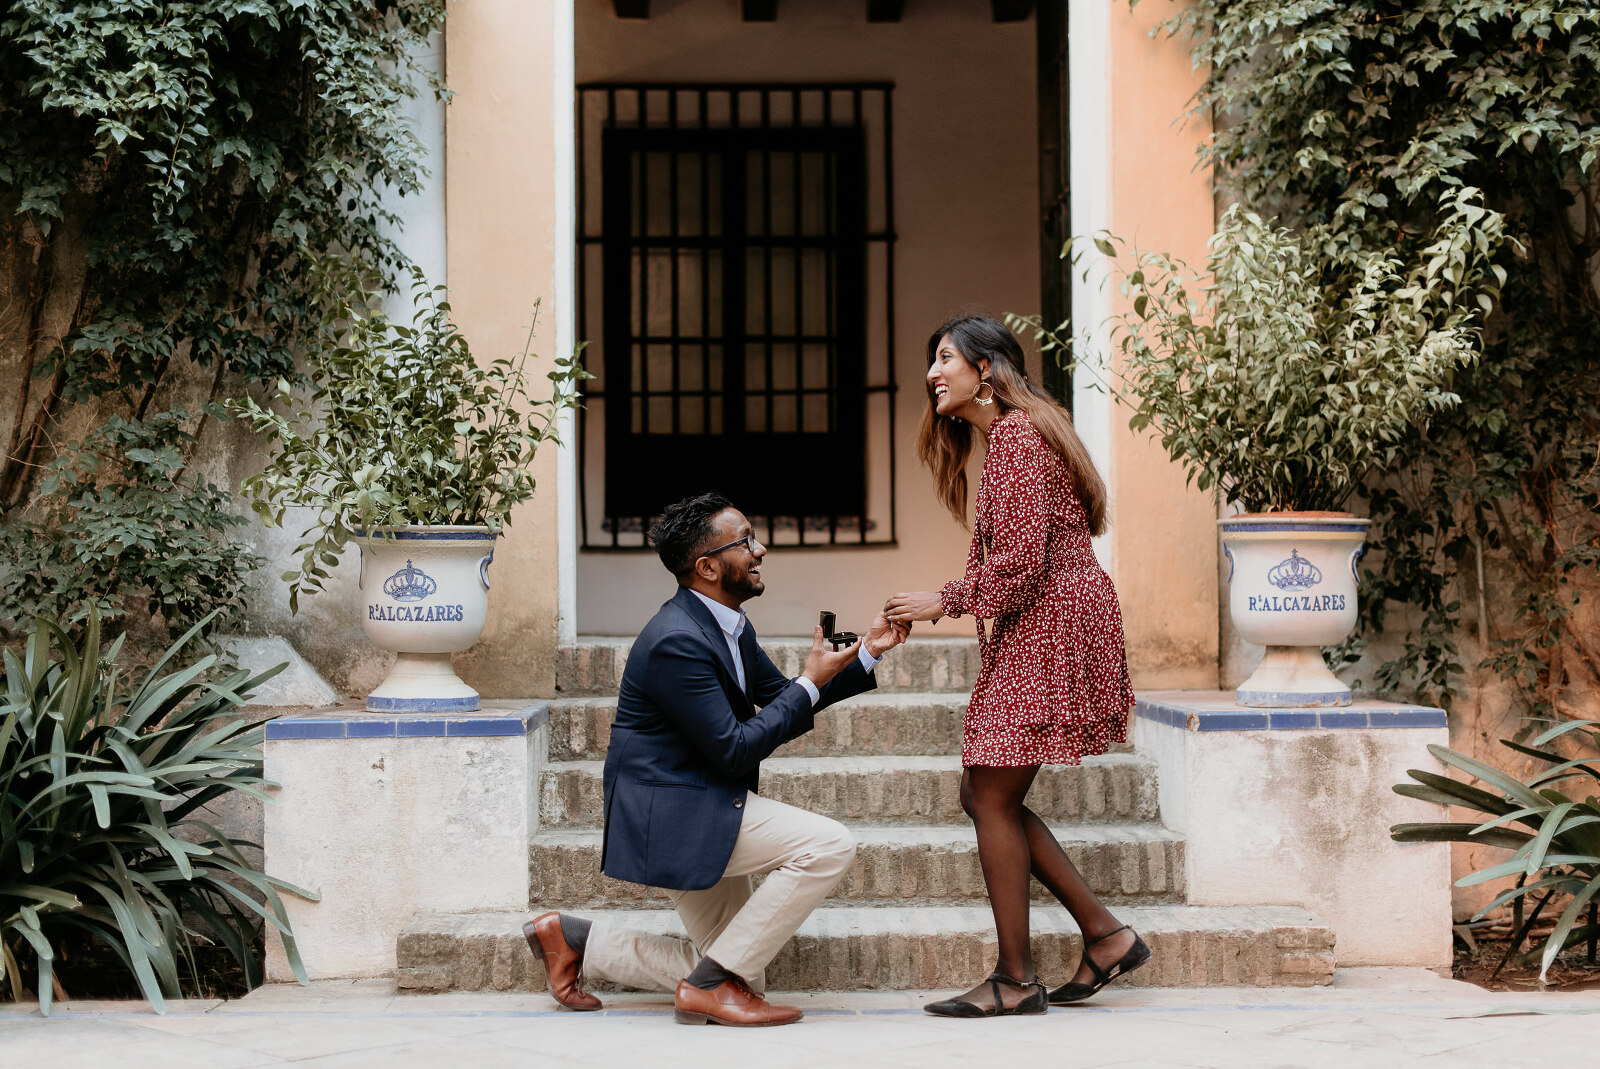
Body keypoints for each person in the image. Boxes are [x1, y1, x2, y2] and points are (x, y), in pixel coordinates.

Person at [525, 491, 908, 1026]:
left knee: (739, 975)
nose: (761, 549)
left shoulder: (729, 625)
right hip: (675, 814)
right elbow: (734, 749)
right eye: (746, 540)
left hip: (702, 801)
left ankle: (576, 941)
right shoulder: (675, 641)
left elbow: (783, 697)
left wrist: (866, 652)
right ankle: (707, 986)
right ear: (706, 567)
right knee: (828, 845)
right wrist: (806, 683)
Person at [886, 314, 1146, 1018]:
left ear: (988, 369)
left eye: (945, 358)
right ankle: (1104, 935)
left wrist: (940, 600)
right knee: (985, 791)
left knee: (989, 794)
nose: (933, 373)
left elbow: (1022, 564)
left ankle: (1016, 975)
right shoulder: (1016, 436)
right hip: (1053, 617)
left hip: (1051, 620)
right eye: (931, 360)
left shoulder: (1018, 438)